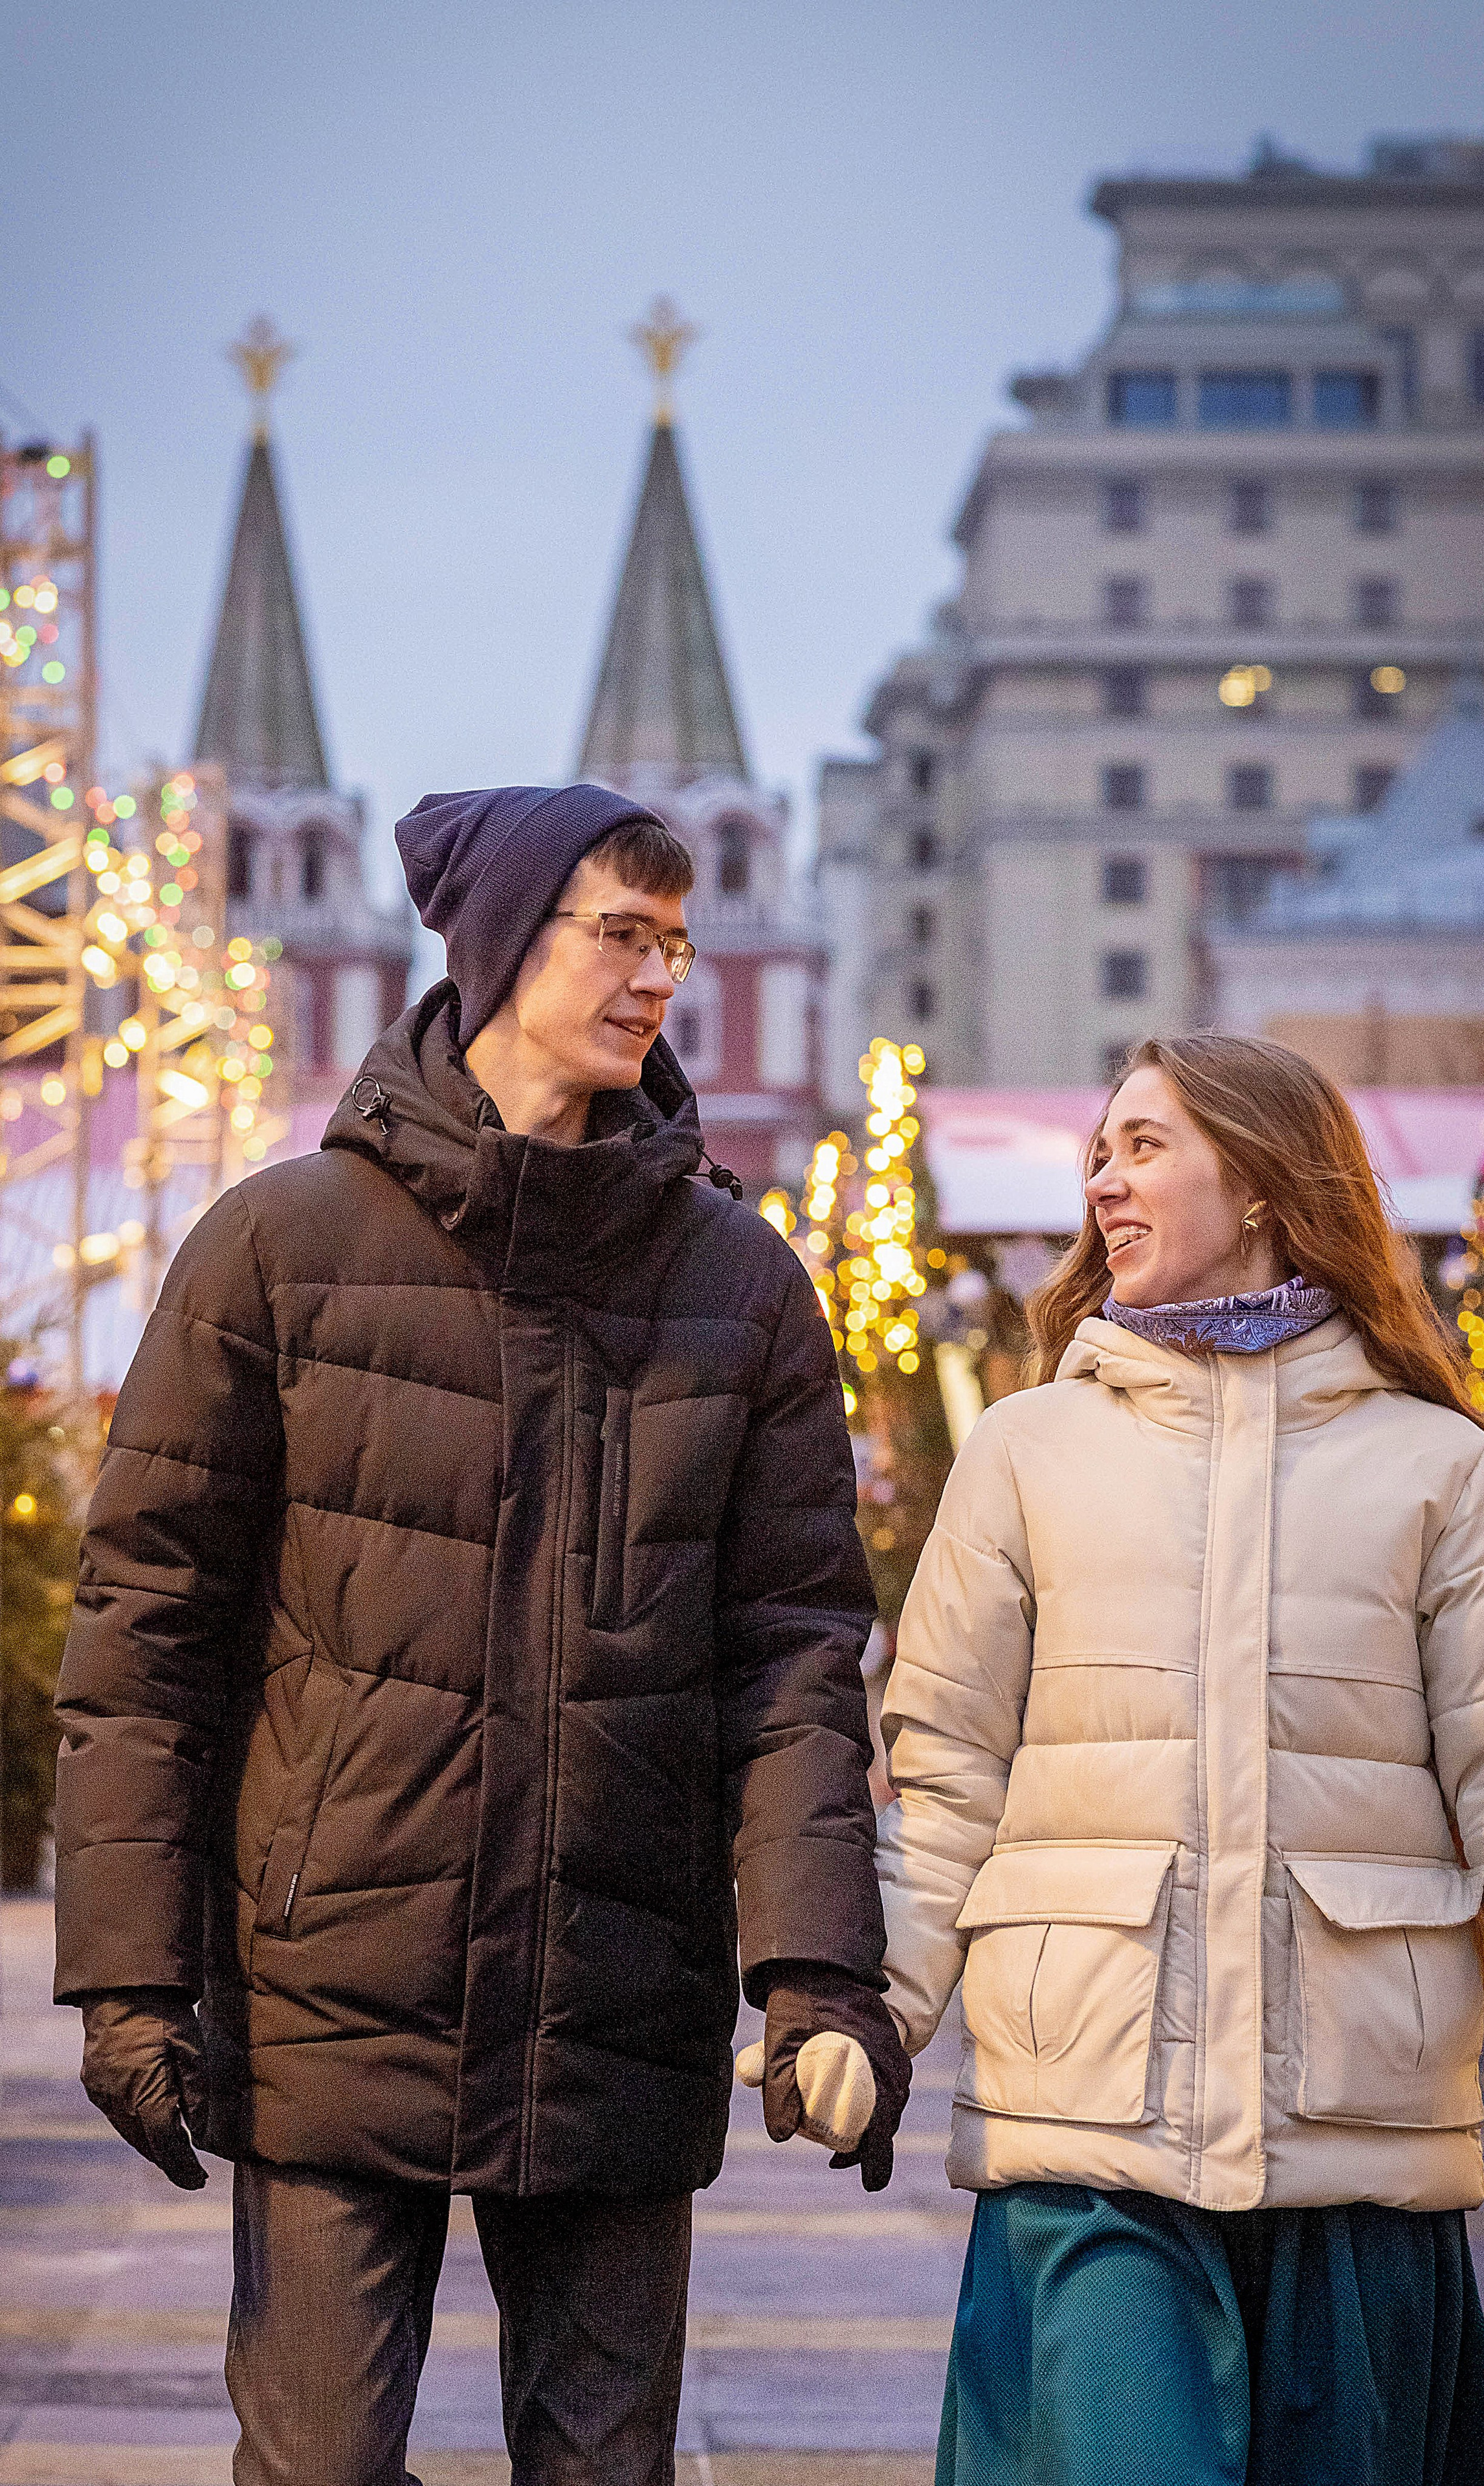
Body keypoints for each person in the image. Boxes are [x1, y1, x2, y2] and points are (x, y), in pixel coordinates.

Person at [53, 782, 909, 2486]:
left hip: (618, 1987)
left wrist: (821, 1976)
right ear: (503, 943)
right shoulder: (280, 1250)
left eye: (678, 939)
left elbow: (797, 1662)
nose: (662, 973)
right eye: (622, 933)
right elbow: (147, 1636)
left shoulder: (742, 1288)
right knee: (316, 2472)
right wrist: (131, 1982)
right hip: (333, 1985)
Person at [874, 1032, 1484, 2486]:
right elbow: (943, 1791)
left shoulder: (1441, 1471)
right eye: (1096, 1152)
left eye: (1143, 1145)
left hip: (1354, 2149)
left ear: (1260, 1181)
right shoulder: (1024, 1453)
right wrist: (867, 2016)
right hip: (1086, 2144)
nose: (1103, 1181)